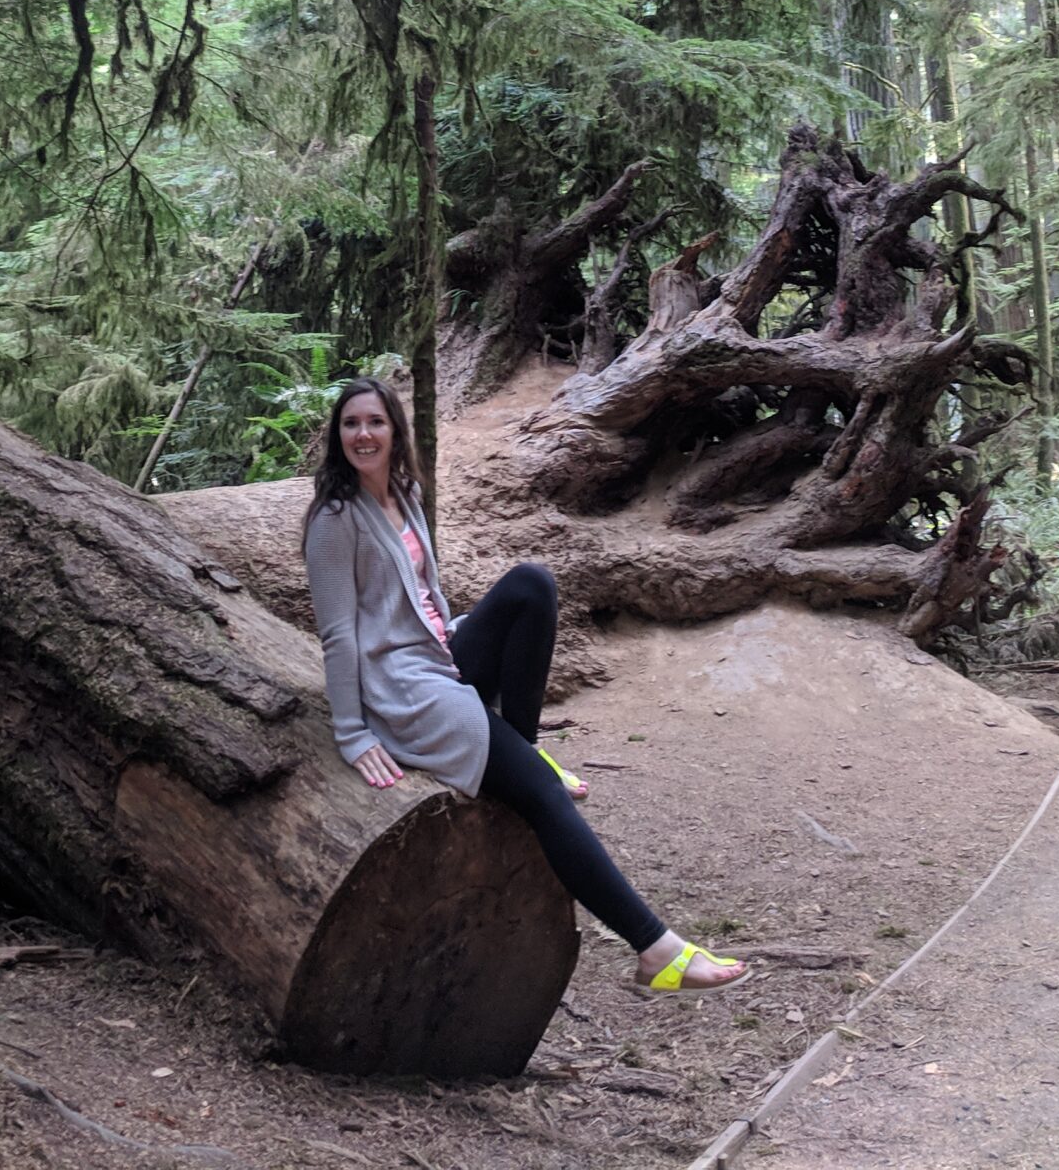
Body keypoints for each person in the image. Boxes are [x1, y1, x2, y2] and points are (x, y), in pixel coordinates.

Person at [300, 376, 747, 994]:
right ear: (337, 435)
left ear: (396, 431)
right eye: (351, 424)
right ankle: (656, 950)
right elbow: (340, 635)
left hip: (437, 652)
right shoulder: (334, 518)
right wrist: (351, 731)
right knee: (542, 795)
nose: (363, 435)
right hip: (403, 685)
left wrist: (457, 640)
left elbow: (425, 594)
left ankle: (521, 741)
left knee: (532, 585)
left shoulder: (403, 492)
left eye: (375, 422)